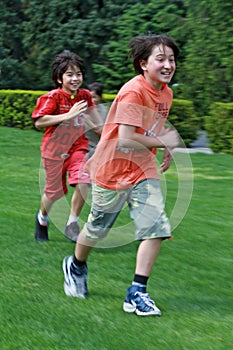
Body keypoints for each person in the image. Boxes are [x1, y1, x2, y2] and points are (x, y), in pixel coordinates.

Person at [62, 34, 180, 316]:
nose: (168, 65)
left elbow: (152, 132)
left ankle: (137, 291)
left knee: (157, 226)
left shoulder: (166, 93)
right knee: (97, 229)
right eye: (160, 59)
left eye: (172, 59)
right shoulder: (133, 92)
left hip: (142, 169)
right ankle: (75, 265)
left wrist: (165, 146)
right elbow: (125, 139)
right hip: (112, 170)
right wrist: (165, 142)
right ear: (143, 64)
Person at [32, 50, 101, 243]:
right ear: (59, 78)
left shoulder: (85, 96)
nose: (75, 78)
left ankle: (72, 223)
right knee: (54, 193)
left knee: (84, 180)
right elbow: (39, 122)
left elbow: (95, 124)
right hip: (54, 151)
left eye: (78, 74)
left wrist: (111, 137)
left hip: (78, 148)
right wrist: (67, 115)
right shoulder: (52, 97)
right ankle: (42, 218)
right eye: (69, 74)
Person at [85, 82, 108, 159]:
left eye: (94, 97)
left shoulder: (103, 111)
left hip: (96, 148)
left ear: (100, 97)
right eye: (89, 97)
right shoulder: (82, 109)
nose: (91, 100)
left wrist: (88, 121)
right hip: (83, 147)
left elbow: (101, 132)